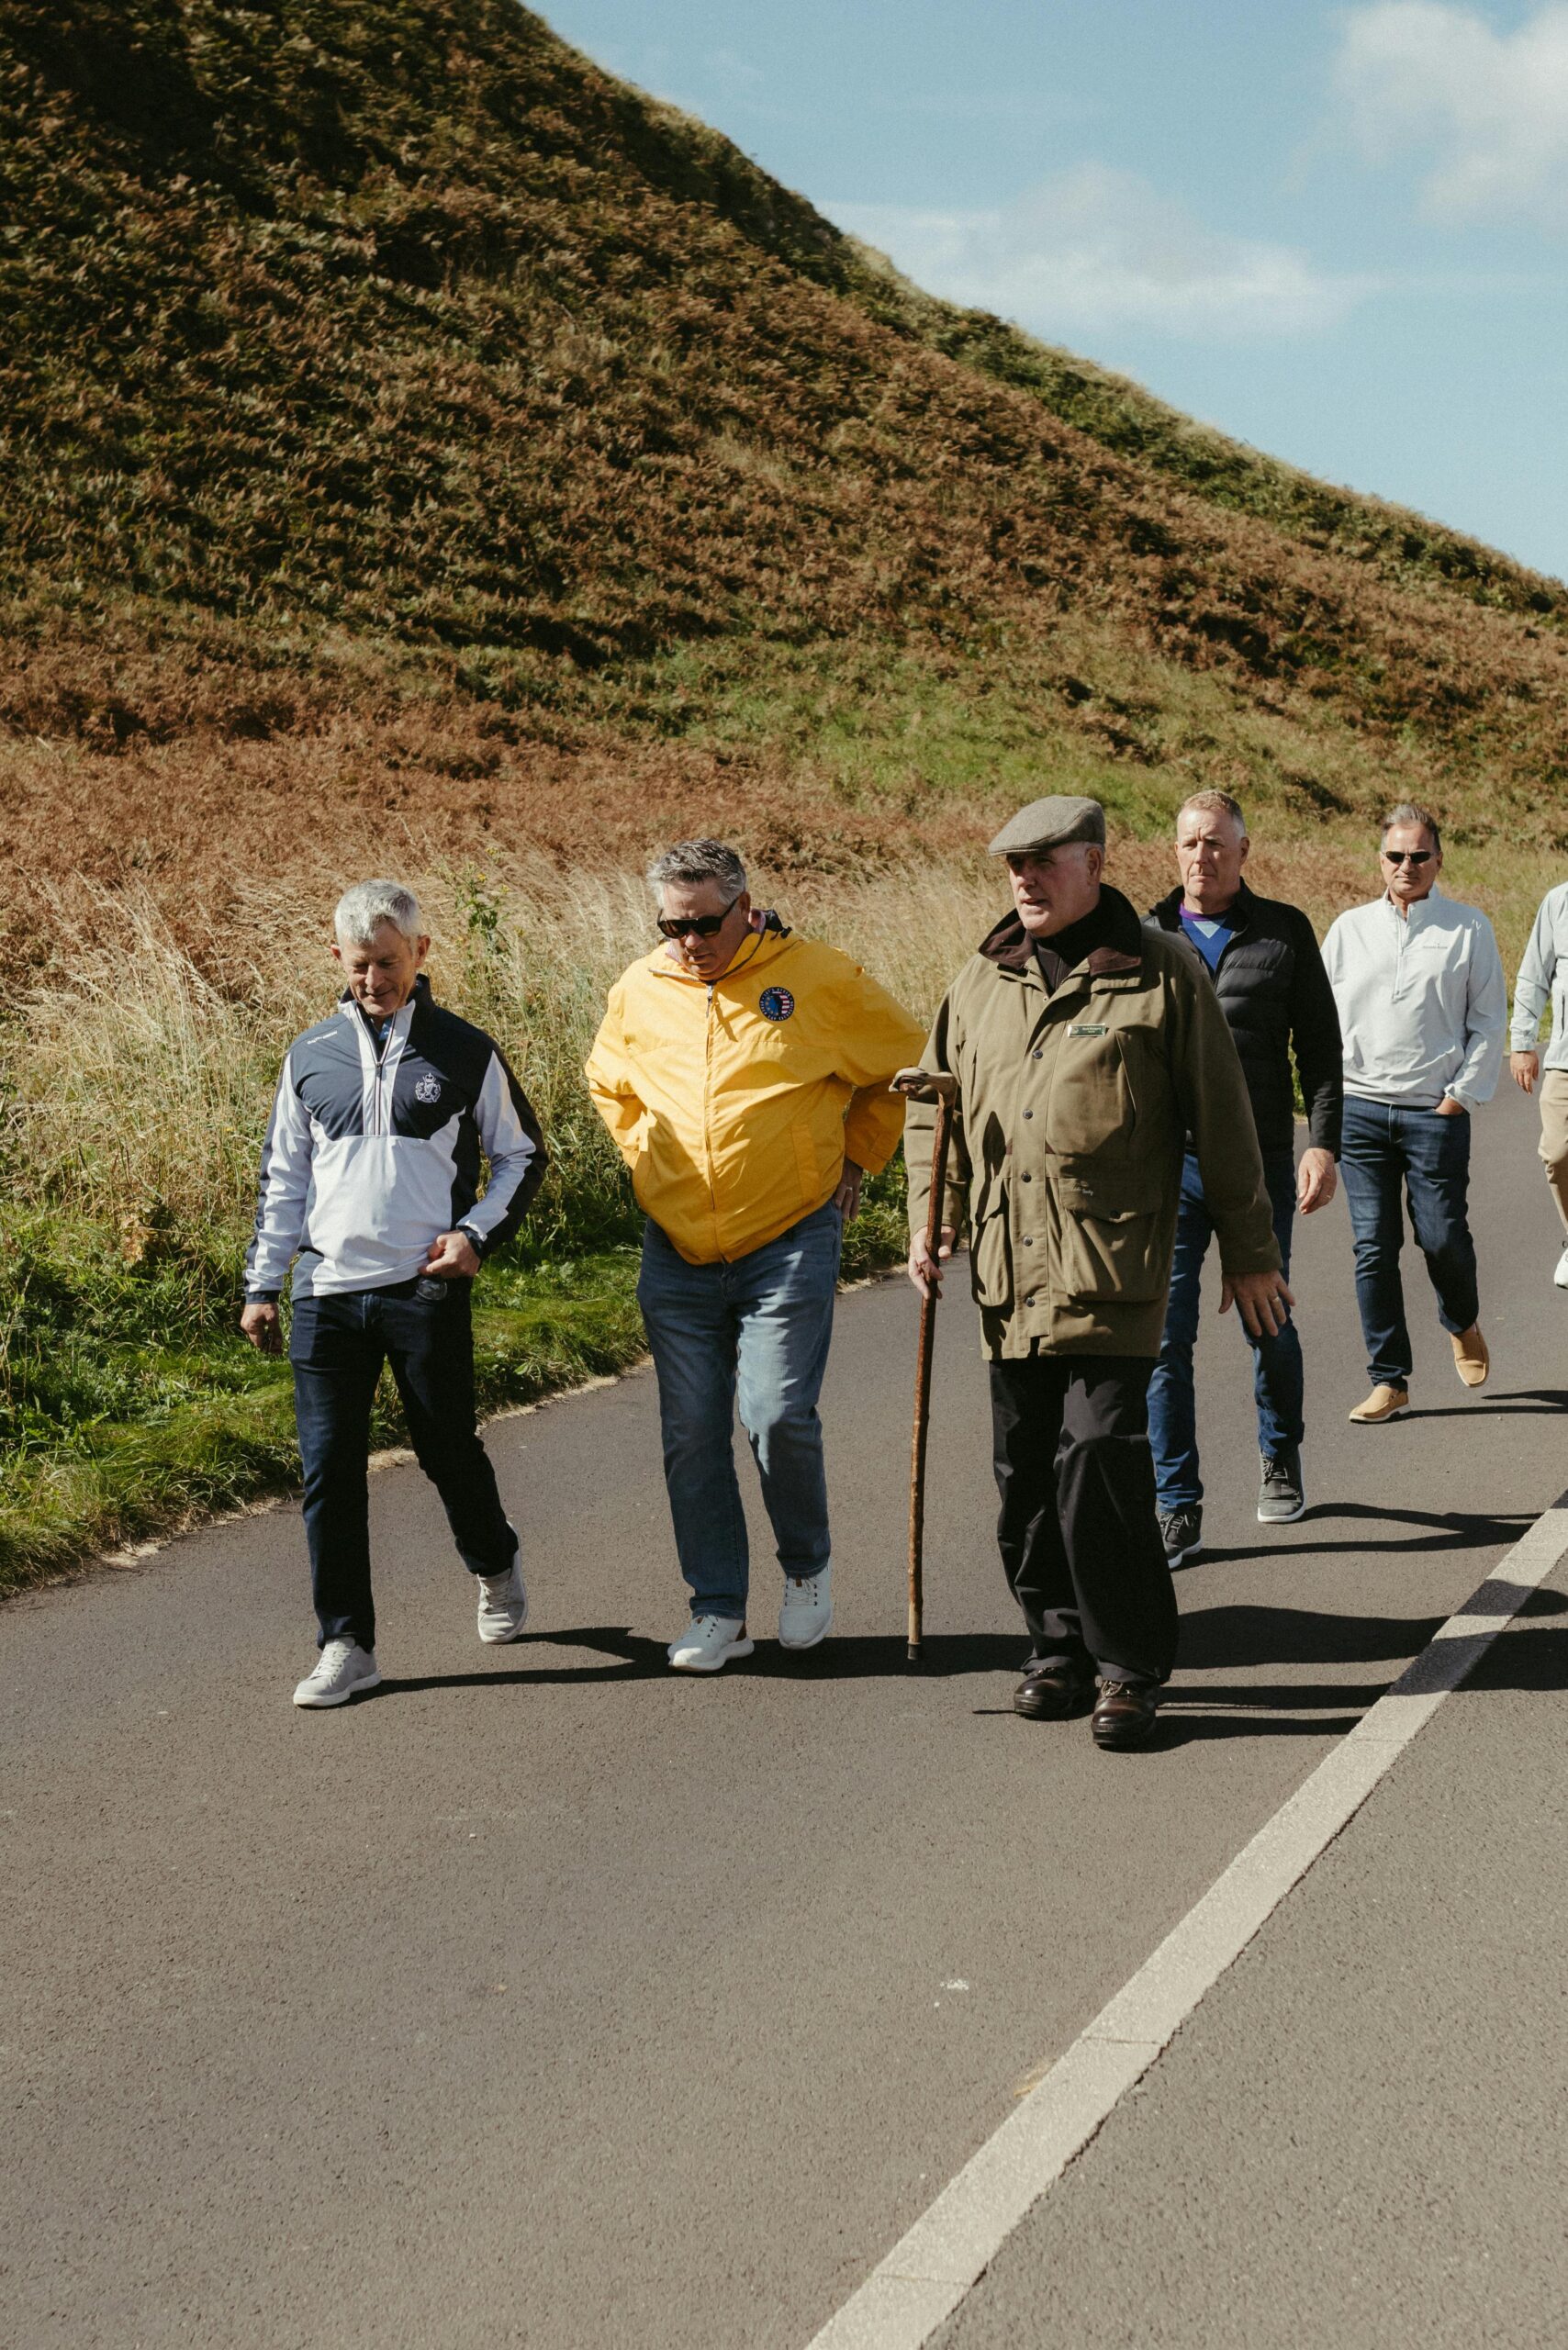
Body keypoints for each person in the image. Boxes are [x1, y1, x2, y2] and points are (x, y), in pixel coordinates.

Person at [904, 796, 1288, 1751]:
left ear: (1095, 863)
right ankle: (1057, 1648)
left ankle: (1128, 1668)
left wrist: (1250, 1252)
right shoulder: (981, 978)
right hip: (1008, 1269)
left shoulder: (1160, 971)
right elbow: (933, 1103)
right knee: (1023, 1469)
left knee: (1100, 1458)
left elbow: (1223, 1119)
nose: (1024, 880)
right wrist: (931, 1214)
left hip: (1112, 1264)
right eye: (1013, 866)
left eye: (1043, 861)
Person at [586, 840, 924, 1673]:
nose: (689, 942)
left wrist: (859, 1156)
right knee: (691, 1432)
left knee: (774, 1413)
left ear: (745, 907)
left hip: (788, 1236)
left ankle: (806, 1569)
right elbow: (608, 1082)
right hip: (677, 1249)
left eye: (705, 924)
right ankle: (718, 1609)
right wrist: (645, 1160)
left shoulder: (817, 977)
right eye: (672, 926)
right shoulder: (640, 987)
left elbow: (906, 1065)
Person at [242, 880, 547, 1707]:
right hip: (327, 1294)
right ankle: (347, 1644)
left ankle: (494, 1561)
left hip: (423, 1289)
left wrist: (474, 1235)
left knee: (446, 1450)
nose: (373, 979)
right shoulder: (309, 1055)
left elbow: (522, 1155)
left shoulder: (464, 1049)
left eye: (387, 962)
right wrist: (264, 1282)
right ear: (336, 959)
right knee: (328, 1473)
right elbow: (284, 1178)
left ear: (420, 953)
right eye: (358, 964)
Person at [1145, 790, 1342, 1560]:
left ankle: (1280, 1453)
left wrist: (1322, 1145)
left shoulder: (1283, 931)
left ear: (1243, 850)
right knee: (1163, 1337)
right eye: (1191, 842)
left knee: (1268, 1320)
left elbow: (1319, 1051)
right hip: (1169, 1169)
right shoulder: (1145, 936)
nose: (1203, 855)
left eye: (1217, 842)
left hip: (1257, 1166)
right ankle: (1176, 1502)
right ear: (1175, 851)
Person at [1322, 803, 1505, 1423]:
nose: (1407, 865)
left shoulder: (1468, 927)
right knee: (1373, 1247)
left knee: (1442, 1238)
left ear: (1438, 860)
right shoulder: (1348, 930)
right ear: (1381, 860)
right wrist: (1331, 1100)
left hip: (1434, 1113)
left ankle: (1462, 1321)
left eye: (1419, 855)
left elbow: (1488, 1021)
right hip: (1361, 1110)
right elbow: (1322, 1022)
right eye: (1396, 855)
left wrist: (1460, 1096)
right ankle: (1388, 1379)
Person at [1508, 878, 1568, 1289]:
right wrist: (1522, 1043)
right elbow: (1534, 975)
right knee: (1557, 1152)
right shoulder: (1559, 902)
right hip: (1565, 1060)